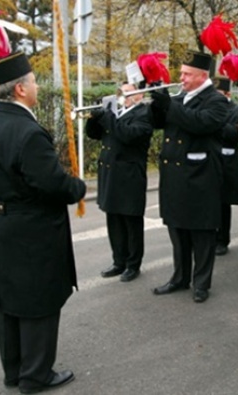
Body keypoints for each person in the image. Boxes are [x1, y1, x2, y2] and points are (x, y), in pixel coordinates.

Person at [0, 51, 85, 392]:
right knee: (39, 302)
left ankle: (14, 370)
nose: (36, 86)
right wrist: (77, 187)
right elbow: (52, 184)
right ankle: (35, 375)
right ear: (20, 89)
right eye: (34, 81)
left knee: (9, 302)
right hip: (32, 232)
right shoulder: (27, 131)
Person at [150, 50, 229, 303]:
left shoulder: (215, 100)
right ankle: (179, 278)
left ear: (202, 75)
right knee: (178, 230)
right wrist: (156, 102)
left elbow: (200, 123)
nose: (181, 77)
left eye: (187, 74)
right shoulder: (180, 97)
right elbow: (157, 123)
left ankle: (201, 283)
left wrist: (170, 105)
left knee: (202, 233)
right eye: (181, 73)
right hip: (174, 176)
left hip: (200, 177)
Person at [85, 82, 153, 282]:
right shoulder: (116, 113)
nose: (123, 96)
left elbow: (127, 134)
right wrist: (94, 118)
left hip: (129, 175)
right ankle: (118, 261)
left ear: (139, 96)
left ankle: (133, 264)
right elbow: (95, 134)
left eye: (128, 92)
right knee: (113, 219)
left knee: (131, 221)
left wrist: (107, 117)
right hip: (110, 173)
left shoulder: (144, 114)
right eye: (121, 92)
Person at [212, 76, 238, 256]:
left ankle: (223, 239)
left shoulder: (236, 110)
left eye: (219, 94)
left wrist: (215, 123)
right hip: (211, 160)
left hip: (227, 161)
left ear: (228, 94)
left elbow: (235, 134)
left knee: (223, 202)